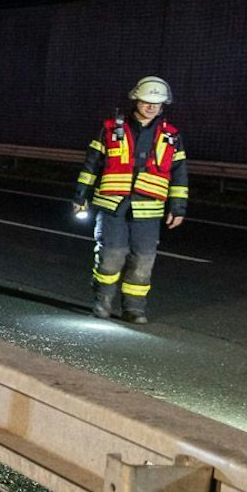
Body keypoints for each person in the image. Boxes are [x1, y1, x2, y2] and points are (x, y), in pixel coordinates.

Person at [73, 75, 190, 324]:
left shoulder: (171, 136)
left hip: (148, 209)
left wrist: (178, 207)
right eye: (147, 101)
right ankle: (101, 303)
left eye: (156, 103)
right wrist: (81, 194)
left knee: (143, 260)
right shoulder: (111, 129)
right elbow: (92, 163)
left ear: (163, 105)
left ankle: (134, 309)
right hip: (113, 205)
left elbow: (179, 173)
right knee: (111, 254)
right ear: (136, 99)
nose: (151, 106)